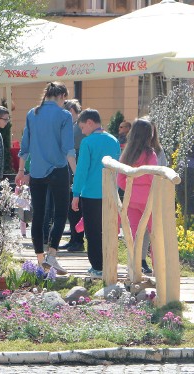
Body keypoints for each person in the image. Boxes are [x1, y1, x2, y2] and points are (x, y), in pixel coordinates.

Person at [15, 81, 76, 275]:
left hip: (37, 171)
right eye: (64, 99)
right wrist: (76, 173)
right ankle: (52, 256)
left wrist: (21, 171)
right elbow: (68, 149)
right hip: (58, 170)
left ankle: (40, 260)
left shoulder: (32, 114)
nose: (64, 103)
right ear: (61, 96)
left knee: (38, 216)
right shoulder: (64, 115)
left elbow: (25, 146)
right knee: (60, 215)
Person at [71, 109, 121, 278]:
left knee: (92, 232)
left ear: (90, 123)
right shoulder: (114, 140)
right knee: (108, 229)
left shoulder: (87, 143)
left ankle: (97, 267)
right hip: (110, 193)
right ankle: (109, 263)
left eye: (83, 127)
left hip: (91, 194)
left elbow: (82, 170)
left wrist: (75, 193)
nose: (82, 131)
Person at [117, 118, 157, 261]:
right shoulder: (150, 154)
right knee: (155, 235)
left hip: (131, 201)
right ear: (148, 135)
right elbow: (154, 178)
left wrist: (131, 190)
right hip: (149, 202)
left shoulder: (126, 154)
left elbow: (120, 180)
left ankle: (134, 270)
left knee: (134, 236)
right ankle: (158, 271)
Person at [140, 122, 167, 275]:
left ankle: (158, 263)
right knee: (141, 230)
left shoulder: (158, 150)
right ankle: (141, 260)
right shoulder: (136, 150)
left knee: (154, 230)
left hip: (155, 194)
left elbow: (163, 170)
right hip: (141, 195)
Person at [59, 99, 86, 252]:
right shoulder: (71, 128)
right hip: (70, 171)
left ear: (76, 112)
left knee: (76, 207)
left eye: (70, 112)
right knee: (72, 208)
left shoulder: (76, 130)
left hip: (76, 172)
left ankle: (78, 240)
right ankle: (74, 239)